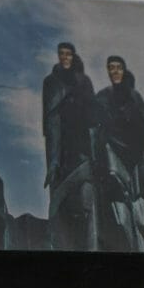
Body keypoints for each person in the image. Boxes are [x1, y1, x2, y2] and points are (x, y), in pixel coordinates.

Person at [94, 55, 144, 251]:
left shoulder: (134, 98)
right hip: (114, 165)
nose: (115, 71)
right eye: (111, 68)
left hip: (135, 166)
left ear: (123, 71)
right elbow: (100, 132)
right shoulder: (102, 98)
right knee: (122, 219)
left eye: (118, 67)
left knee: (142, 216)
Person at [42, 41, 99, 250]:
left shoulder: (83, 82)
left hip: (81, 147)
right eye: (62, 54)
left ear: (73, 56)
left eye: (68, 54)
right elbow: (50, 119)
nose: (65, 57)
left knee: (86, 200)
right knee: (61, 202)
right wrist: (54, 160)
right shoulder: (51, 82)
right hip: (60, 148)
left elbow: (93, 120)